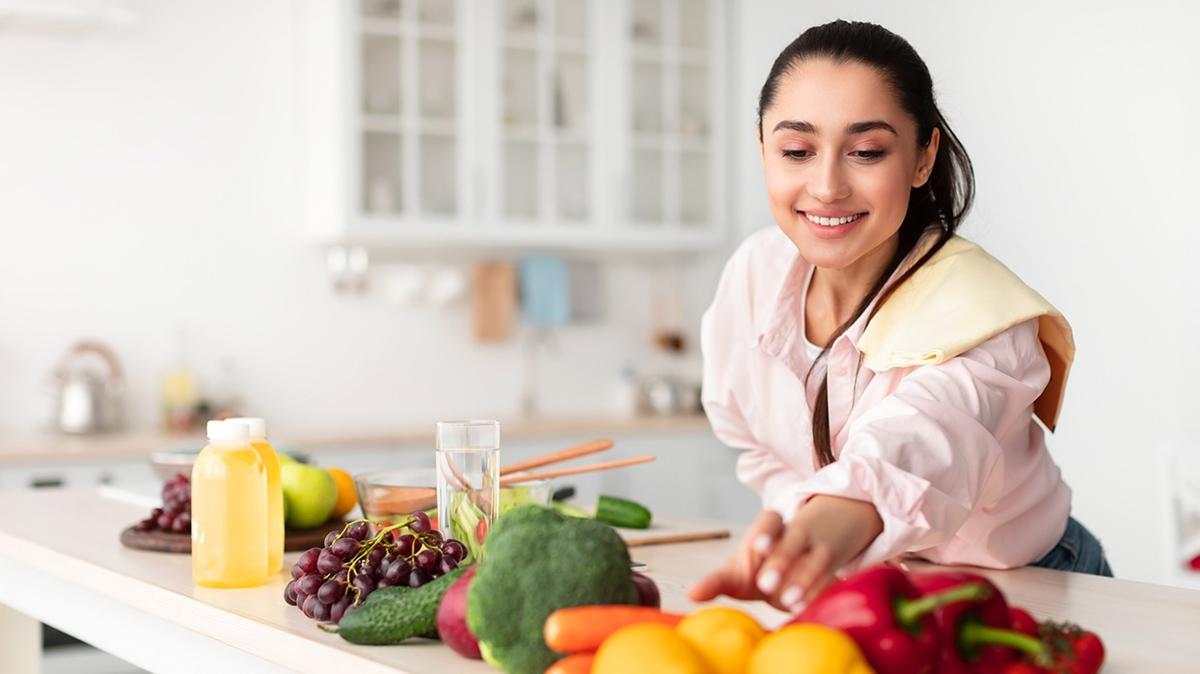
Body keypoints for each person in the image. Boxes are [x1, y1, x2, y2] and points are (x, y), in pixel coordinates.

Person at [689, 20, 1112, 614]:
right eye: (796, 151)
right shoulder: (754, 274)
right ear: (762, 149)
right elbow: (758, 446)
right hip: (874, 588)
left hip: (1026, 587)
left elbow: (926, 441)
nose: (828, 185)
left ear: (921, 157)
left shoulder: (982, 310)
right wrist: (801, 535)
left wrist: (833, 523)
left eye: (866, 152)